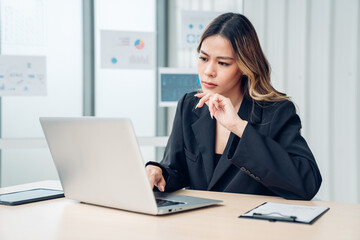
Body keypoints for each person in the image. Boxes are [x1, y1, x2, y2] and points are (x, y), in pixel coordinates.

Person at [146, 12, 322, 200]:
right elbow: (176, 169)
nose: (208, 71)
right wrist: (159, 172)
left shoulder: (276, 112)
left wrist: (239, 127)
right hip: (198, 223)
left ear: (245, 67)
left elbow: (307, 184)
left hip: (251, 226)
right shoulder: (190, 105)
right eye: (203, 58)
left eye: (222, 63)